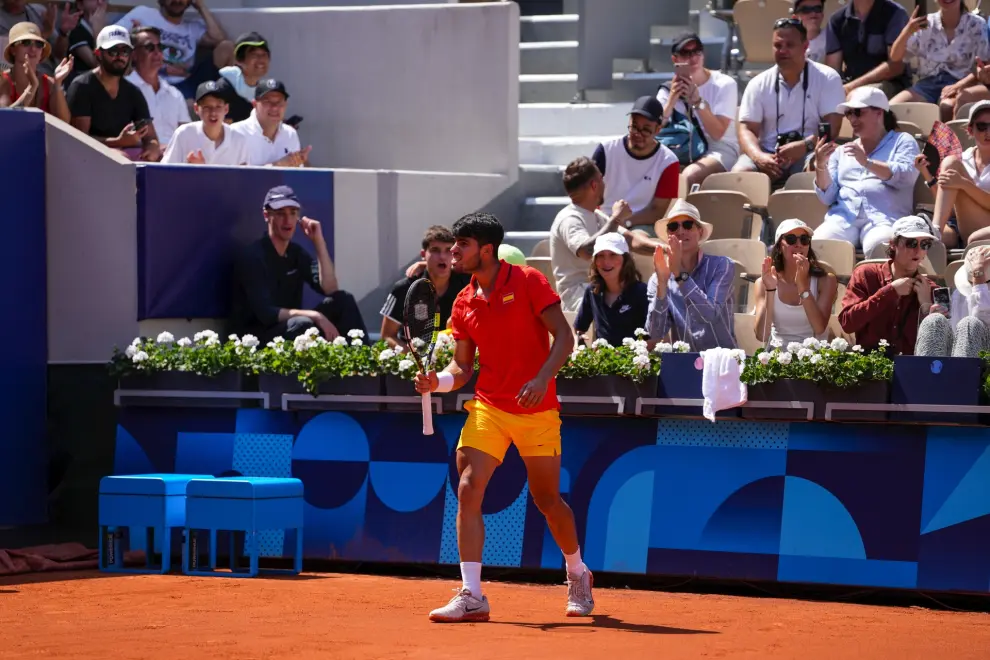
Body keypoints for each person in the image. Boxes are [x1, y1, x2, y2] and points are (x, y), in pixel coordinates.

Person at [413, 212, 592, 623]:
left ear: (486, 250)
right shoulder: (463, 301)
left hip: (536, 408)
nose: (453, 251)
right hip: (489, 408)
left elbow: (564, 337)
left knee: (547, 500)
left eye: (462, 244)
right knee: (468, 485)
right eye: (453, 244)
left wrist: (542, 377)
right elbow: (462, 369)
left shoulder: (528, 281)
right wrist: (436, 382)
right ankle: (472, 594)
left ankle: (577, 571)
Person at [229, 185, 367, 344]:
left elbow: (330, 288)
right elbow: (266, 314)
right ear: (266, 215)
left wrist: (319, 242)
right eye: (281, 214)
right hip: (255, 339)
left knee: (344, 300)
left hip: (289, 329)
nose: (288, 221)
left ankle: (364, 366)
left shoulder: (296, 253)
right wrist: (316, 316)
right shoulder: (252, 256)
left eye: (293, 213)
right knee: (303, 323)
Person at [734, 18, 845, 186]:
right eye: (778, 46)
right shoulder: (758, 83)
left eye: (790, 45)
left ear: (805, 46)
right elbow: (746, 129)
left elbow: (833, 128)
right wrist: (759, 157)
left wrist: (805, 145)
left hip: (809, 152)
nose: (783, 50)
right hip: (768, 154)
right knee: (740, 174)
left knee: (820, 165)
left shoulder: (827, 77)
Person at [813, 86, 920, 256]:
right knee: (820, 244)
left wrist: (867, 162)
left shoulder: (903, 141)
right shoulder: (841, 151)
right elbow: (827, 196)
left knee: (881, 245)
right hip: (843, 219)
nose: (852, 119)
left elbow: (906, 177)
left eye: (858, 112)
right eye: (849, 113)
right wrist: (820, 165)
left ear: (879, 112)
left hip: (884, 220)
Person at [549, 156, 661, 312]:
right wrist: (616, 218)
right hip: (579, 301)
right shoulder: (569, 218)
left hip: (602, 293)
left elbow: (632, 240)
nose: (604, 184)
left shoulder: (598, 216)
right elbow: (586, 251)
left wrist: (667, 248)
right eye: (601, 179)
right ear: (595, 185)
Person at [838, 215, 938, 355]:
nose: (918, 250)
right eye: (911, 243)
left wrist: (926, 308)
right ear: (893, 244)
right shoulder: (866, 274)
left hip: (913, 369)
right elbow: (847, 323)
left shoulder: (932, 290)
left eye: (925, 244)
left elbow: (938, 349)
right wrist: (889, 292)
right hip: (870, 367)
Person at [646, 200, 736, 350]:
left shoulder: (722, 265)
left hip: (722, 361)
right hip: (684, 364)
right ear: (668, 234)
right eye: (673, 227)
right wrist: (662, 285)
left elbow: (709, 315)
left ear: (700, 232)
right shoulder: (657, 279)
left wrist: (680, 275)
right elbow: (655, 334)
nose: (680, 231)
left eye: (687, 225)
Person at [656, 31, 739, 188]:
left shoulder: (724, 84)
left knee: (690, 175)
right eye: (685, 53)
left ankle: (685, 213)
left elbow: (718, 133)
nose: (693, 57)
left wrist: (697, 102)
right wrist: (672, 99)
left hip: (719, 148)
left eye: (697, 51)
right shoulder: (668, 90)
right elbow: (655, 129)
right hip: (682, 146)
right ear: (675, 59)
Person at [66, 25, 161, 161]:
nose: (120, 57)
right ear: (98, 53)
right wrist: (118, 141)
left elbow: (150, 136)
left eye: (125, 51)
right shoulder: (82, 86)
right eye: (113, 51)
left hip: (122, 157)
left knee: (163, 152)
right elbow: (80, 140)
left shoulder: (133, 91)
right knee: (121, 156)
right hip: (84, 159)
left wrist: (152, 147)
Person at [590, 96, 680, 229]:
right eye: (634, 127)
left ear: (657, 130)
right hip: (602, 218)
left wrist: (621, 223)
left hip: (639, 224)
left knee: (636, 241)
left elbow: (656, 211)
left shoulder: (669, 162)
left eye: (646, 129)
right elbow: (588, 192)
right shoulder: (605, 150)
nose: (638, 134)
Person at [890, 3, 990, 120]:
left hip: (960, 81)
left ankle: (945, 139)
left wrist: (959, 85)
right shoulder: (926, 22)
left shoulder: (976, 24)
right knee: (891, 109)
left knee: (946, 107)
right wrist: (907, 31)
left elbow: (982, 66)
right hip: (927, 84)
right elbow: (895, 56)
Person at [379, 225, 471, 348]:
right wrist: (412, 357)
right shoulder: (404, 288)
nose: (442, 256)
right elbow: (387, 336)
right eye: (435, 250)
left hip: (455, 360)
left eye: (448, 250)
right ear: (423, 254)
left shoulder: (467, 285)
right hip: (415, 360)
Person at [753, 219, 837, 345]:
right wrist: (770, 289)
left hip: (814, 358)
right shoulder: (762, 283)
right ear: (779, 247)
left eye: (804, 239)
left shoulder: (826, 281)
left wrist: (803, 286)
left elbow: (819, 328)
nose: (799, 244)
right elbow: (762, 335)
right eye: (791, 239)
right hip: (777, 357)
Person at [929, 100, 990, 248]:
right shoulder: (962, 160)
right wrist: (928, 176)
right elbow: (948, 209)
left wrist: (963, 184)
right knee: (914, 238)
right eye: (982, 127)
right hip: (961, 224)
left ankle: (935, 233)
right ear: (970, 130)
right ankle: (935, 232)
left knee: (975, 238)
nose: (988, 132)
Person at [823, 0, 911, 99]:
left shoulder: (895, 14)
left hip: (892, 85)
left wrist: (851, 87)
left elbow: (896, 66)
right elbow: (833, 71)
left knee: (861, 98)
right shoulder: (837, 21)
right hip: (850, 86)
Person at [574, 233, 649, 347]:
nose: (606, 261)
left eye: (613, 254)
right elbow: (579, 329)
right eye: (600, 255)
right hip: (603, 363)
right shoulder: (592, 291)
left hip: (635, 362)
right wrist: (579, 340)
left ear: (625, 259)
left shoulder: (642, 292)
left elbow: (653, 338)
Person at [915, 245, 990, 357]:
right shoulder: (958, 295)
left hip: (982, 368)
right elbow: (956, 341)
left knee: (970, 324)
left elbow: (981, 330)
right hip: (953, 361)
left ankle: (963, 374)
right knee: (933, 321)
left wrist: (979, 277)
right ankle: (927, 373)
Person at [161, 80, 248, 164]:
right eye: (207, 107)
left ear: (226, 109)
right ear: (196, 109)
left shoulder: (239, 139)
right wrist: (188, 170)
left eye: (218, 107)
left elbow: (245, 176)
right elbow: (165, 172)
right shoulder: (184, 133)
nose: (213, 113)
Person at [0, 21, 71, 122]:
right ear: (13, 50)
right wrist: (32, 87)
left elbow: (65, 123)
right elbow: (5, 120)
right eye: (26, 43)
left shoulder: (49, 83)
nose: (33, 49)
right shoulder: (3, 80)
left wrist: (58, 83)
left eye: (38, 44)